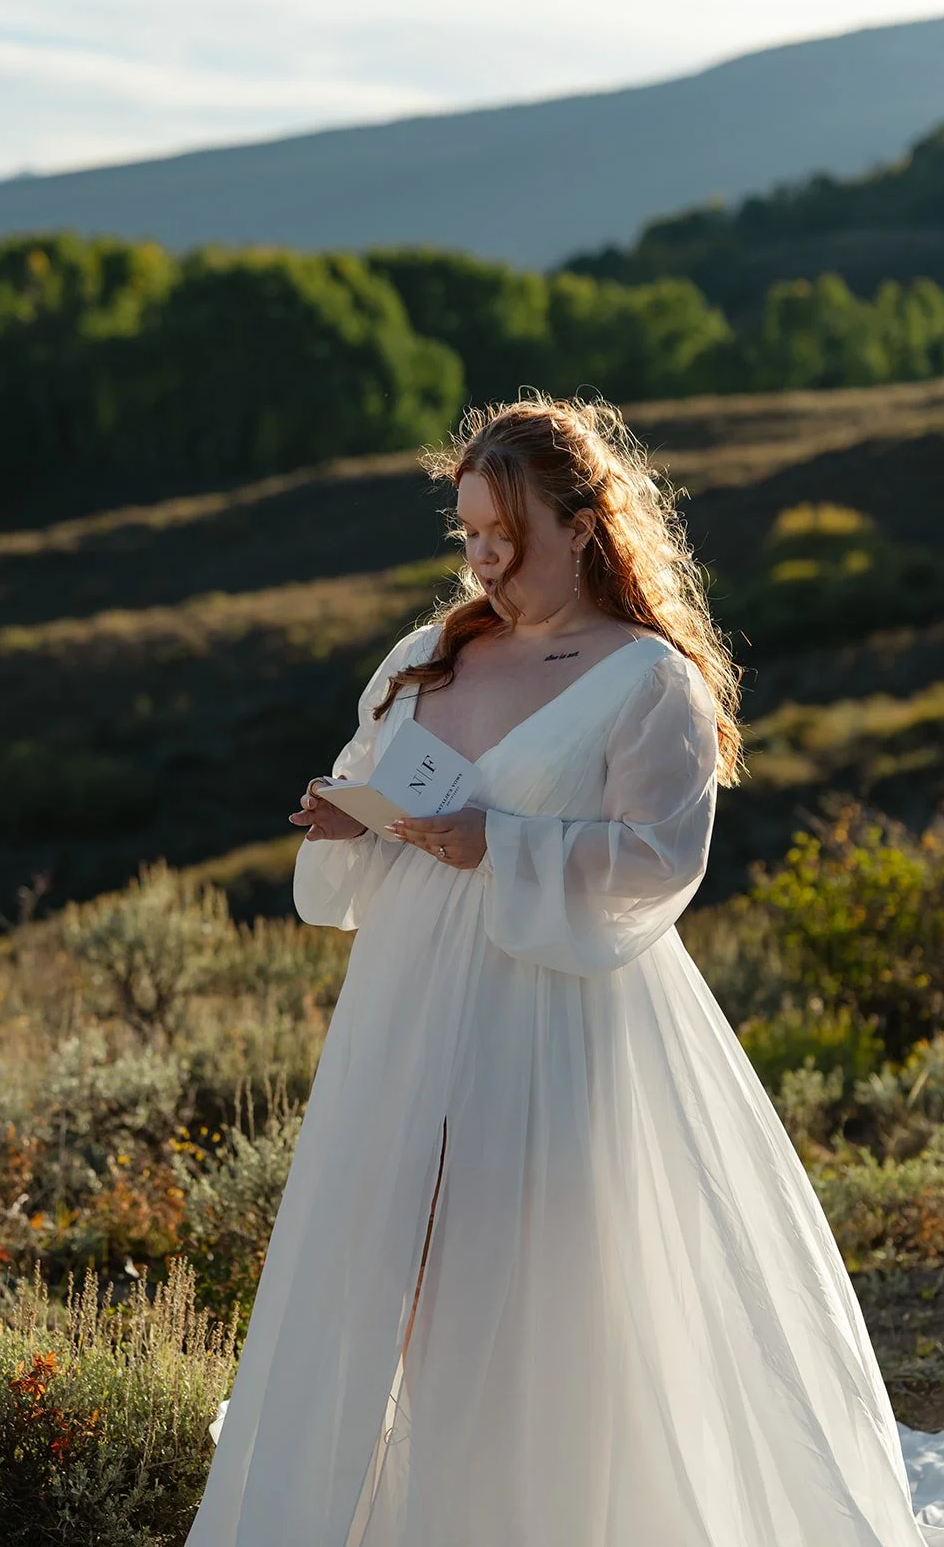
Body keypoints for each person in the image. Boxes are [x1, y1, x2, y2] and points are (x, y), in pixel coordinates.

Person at [185, 394, 944, 1545]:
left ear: (584, 524)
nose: (485, 561)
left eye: (507, 535)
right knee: (383, 1269)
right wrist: (352, 818)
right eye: (470, 536)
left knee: (516, 1285)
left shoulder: (650, 681)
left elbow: (658, 860)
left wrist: (503, 844)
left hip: (553, 1014)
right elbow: (372, 770)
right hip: (407, 1006)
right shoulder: (432, 653)